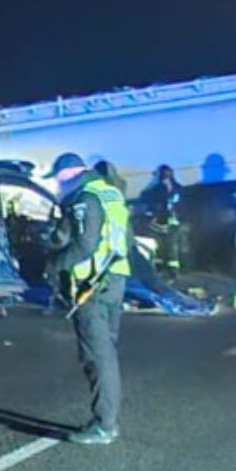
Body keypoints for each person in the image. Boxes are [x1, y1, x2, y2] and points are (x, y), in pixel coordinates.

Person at [49, 152, 129, 444]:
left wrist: (53, 265)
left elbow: (84, 245)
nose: (58, 187)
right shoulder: (110, 193)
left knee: (99, 357)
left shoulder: (85, 198)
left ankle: (104, 425)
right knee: (106, 350)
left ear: (70, 173)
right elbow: (125, 239)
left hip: (92, 285)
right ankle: (107, 420)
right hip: (115, 279)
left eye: (58, 180)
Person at [135, 164, 186, 271]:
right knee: (161, 248)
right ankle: (163, 269)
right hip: (159, 224)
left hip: (170, 224)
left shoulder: (176, 190)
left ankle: (171, 270)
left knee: (170, 248)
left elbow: (180, 205)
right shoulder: (154, 190)